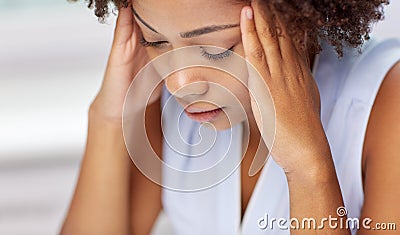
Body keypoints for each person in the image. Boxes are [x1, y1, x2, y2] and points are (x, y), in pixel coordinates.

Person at [61, 0, 400, 234]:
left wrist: (308, 167)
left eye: (217, 50)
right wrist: (106, 117)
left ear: (295, 20)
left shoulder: (386, 103)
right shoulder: (167, 110)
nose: (180, 85)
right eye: (157, 41)